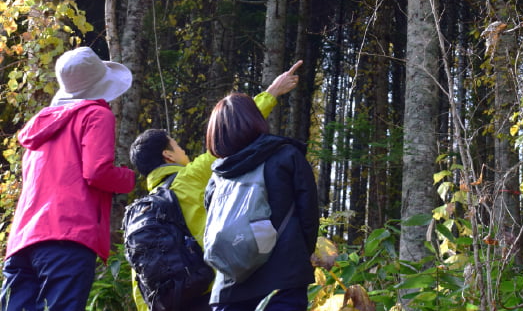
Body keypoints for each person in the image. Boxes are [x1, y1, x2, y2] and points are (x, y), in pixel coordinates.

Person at [128, 61, 304, 311]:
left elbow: (140, 274)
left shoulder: (140, 211)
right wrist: (272, 93)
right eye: (177, 146)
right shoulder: (189, 178)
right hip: (205, 289)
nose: (184, 150)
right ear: (168, 155)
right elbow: (232, 131)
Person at [0, 46, 135, 311]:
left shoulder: (39, 130)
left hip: (23, 240)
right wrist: (127, 178)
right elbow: (97, 172)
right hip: (68, 235)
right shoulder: (96, 114)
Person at [204, 92, 319, 311]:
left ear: (215, 134)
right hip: (283, 281)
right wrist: (300, 256)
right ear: (255, 119)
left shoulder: (217, 176)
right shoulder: (287, 156)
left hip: (228, 287)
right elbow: (308, 216)